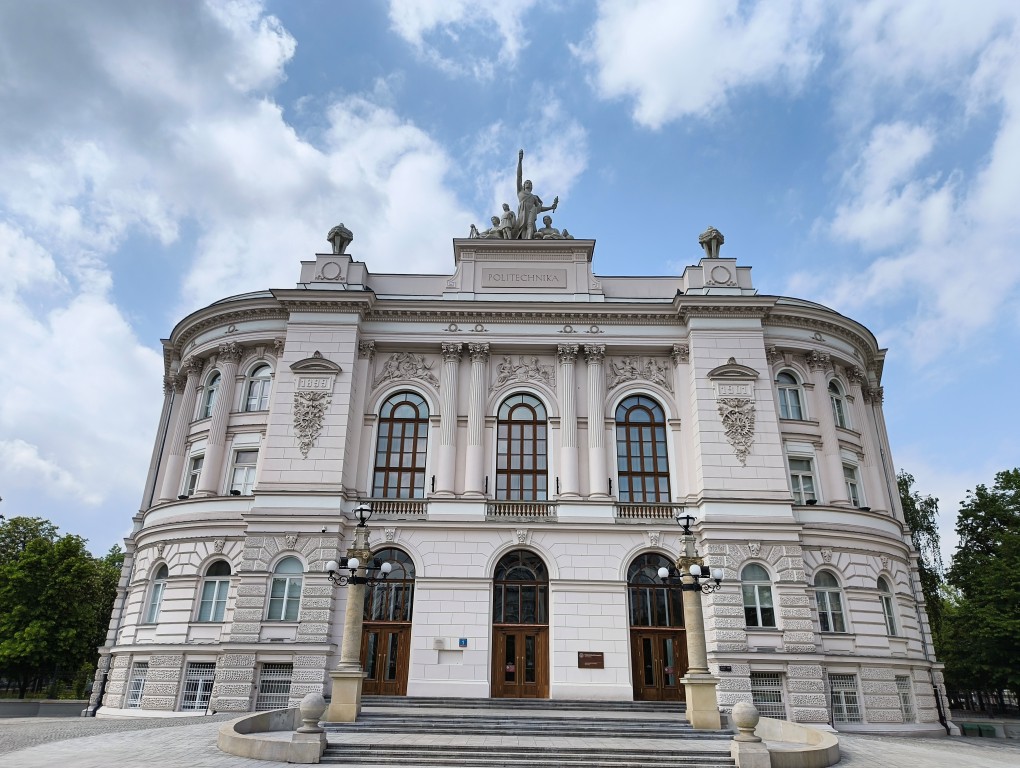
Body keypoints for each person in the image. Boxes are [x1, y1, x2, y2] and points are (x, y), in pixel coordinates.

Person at [514, 149, 557, 239]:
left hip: (531, 212)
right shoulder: (520, 192)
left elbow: (539, 208)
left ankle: (529, 241)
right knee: (521, 229)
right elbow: (519, 176)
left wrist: (551, 207)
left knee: (530, 225)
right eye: (526, 182)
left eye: (530, 183)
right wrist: (520, 161)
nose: (528, 184)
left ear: (532, 186)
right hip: (522, 214)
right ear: (523, 185)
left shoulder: (534, 197)